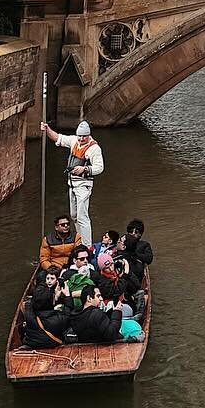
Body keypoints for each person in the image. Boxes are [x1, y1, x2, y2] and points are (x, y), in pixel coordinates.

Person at [40, 117, 105, 246]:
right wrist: (47, 130)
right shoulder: (74, 141)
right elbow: (58, 138)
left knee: (82, 217)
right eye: (79, 136)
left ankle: (87, 246)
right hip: (72, 184)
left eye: (84, 137)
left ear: (88, 135)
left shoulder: (94, 149)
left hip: (83, 185)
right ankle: (80, 241)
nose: (81, 139)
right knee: (74, 215)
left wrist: (84, 169)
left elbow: (99, 167)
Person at [121, 219, 153, 286]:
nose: (132, 234)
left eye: (136, 232)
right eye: (131, 231)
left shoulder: (144, 245)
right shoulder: (122, 242)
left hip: (135, 272)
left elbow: (149, 259)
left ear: (140, 234)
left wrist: (134, 254)